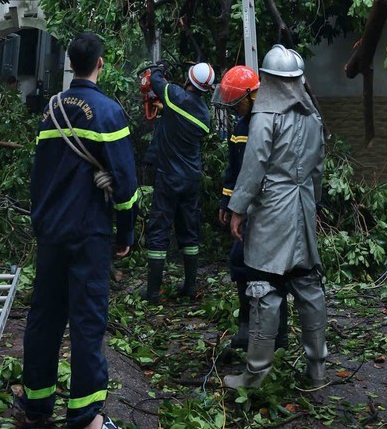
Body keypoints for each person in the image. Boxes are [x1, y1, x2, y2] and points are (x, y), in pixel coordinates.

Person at [14, 31, 137, 429]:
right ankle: (86, 418)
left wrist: (41, 221)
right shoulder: (107, 112)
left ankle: (36, 406)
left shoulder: (50, 110)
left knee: (45, 317)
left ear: (70, 64)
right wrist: (126, 234)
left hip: (51, 232)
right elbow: (127, 186)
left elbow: (40, 175)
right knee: (86, 321)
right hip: (88, 234)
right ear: (100, 63)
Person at [223, 45, 327, 391]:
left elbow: (253, 168)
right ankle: (316, 371)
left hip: (272, 212)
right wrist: (314, 206)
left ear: (268, 80)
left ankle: (256, 374)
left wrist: (237, 209)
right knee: (309, 285)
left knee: (265, 288)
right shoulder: (313, 117)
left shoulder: (265, 117)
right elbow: (318, 171)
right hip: (302, 208)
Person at [216, 64, 288, 351]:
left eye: (238, 104)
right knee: (240, 262)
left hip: (269, 208)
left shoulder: (271, 123)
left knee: (274, 270)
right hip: (247, 209)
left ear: (252, 96)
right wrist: (227, 201)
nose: (236, 110)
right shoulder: (241, 128)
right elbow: (234, 169)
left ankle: (278, 335)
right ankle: (247, 325)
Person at [140, 60, 215, 304]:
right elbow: (180, 120)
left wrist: (158, 67)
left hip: (169, 176)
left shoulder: (175, 95)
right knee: (189, 228)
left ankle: (153, 291)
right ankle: (191, 286)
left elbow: (155, 80)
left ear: (188, 80)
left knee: (159, 228)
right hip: (191, 177)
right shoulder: (204, 113)